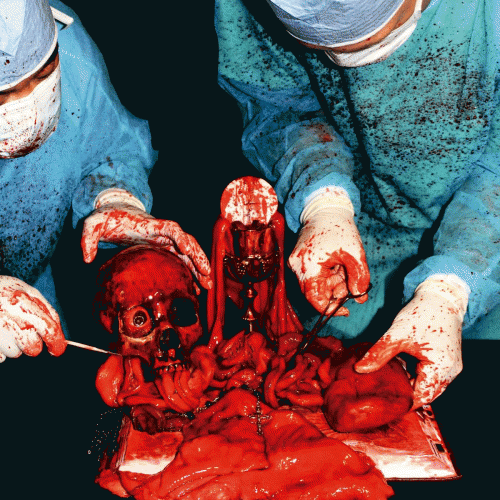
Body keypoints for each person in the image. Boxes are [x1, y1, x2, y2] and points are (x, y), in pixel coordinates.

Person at [215, 0, 500, 409]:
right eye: (323, 48)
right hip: (360, 239)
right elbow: (278, 106)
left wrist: (452, 288)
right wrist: (323, 201)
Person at [0, 0, 212, 363]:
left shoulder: (65, 45)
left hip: (30, 296)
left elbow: (107, 143)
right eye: (4, 94)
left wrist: (115, 197)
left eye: (44, 73)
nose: (30, 105)